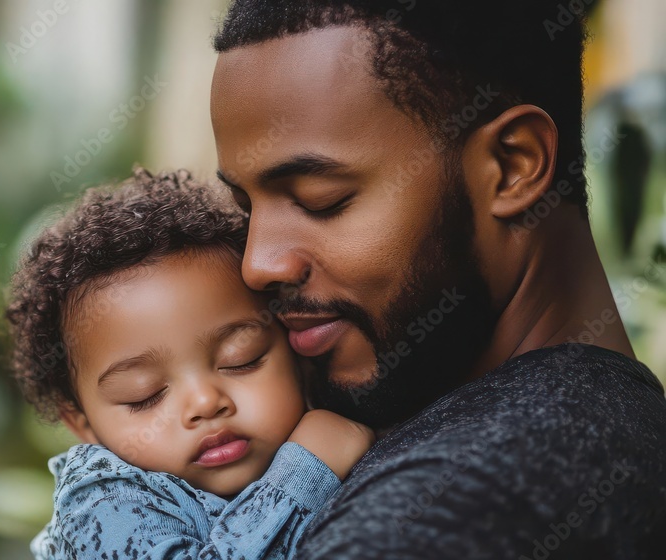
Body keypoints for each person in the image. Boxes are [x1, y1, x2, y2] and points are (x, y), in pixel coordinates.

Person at [209, 0, 666, 558]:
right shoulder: (600, 428)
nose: (258, 264)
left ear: (513, 164)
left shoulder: (464, 505)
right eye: (244, 208)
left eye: (321, 201)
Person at [5, 169, 373, 559]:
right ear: (84, 426)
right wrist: (305, 473)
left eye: (240, 360)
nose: (204, 402)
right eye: (145, 396)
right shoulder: (99, 503)